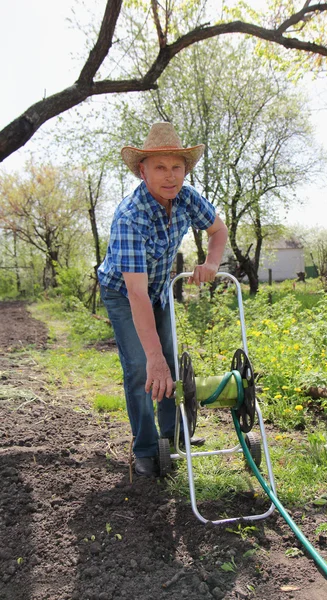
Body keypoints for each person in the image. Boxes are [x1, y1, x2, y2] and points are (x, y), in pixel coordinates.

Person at [98, 122, 228, 477]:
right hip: (124, 293)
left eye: (176, 167)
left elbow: (218, 230)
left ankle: (171, 438)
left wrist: (212, 262)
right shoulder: (130, 217)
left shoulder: (186, 197)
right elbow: (136, 293)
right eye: (159, 167)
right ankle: (144, 447)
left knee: (169, 359)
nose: (170, 176)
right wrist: (154, 358)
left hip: (158, 288)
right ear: (142, 170)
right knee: (143, 366)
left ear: (185, 169)